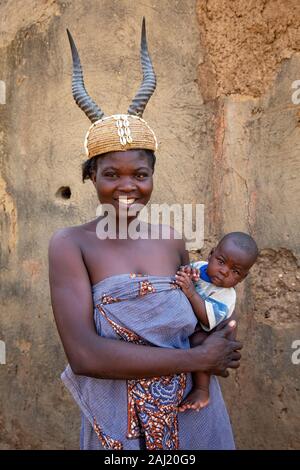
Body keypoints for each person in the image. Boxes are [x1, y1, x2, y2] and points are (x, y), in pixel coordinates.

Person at [48, 19, 242, 450]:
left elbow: (195, 319)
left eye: (140, 173)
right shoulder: (71, 244)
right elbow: (84, 356)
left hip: (194, 414)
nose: (127, 186)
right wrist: (196, 357)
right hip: (120, 424)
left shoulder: (172, 240)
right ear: (90, 177)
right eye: (110, 174)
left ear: (152, 177)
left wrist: (219, 341)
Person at [175, 232, 258, 412]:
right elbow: (183, 276)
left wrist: (191, 292)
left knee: (200, 344)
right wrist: (186, 272)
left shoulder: (226, 295)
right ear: (211, 254)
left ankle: (202, 390)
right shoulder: (199, 267)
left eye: (235, 271)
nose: (224, 271)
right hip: (187, 329)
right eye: (221, 262)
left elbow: (207, 319)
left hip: (208, 335)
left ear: (242, 278)